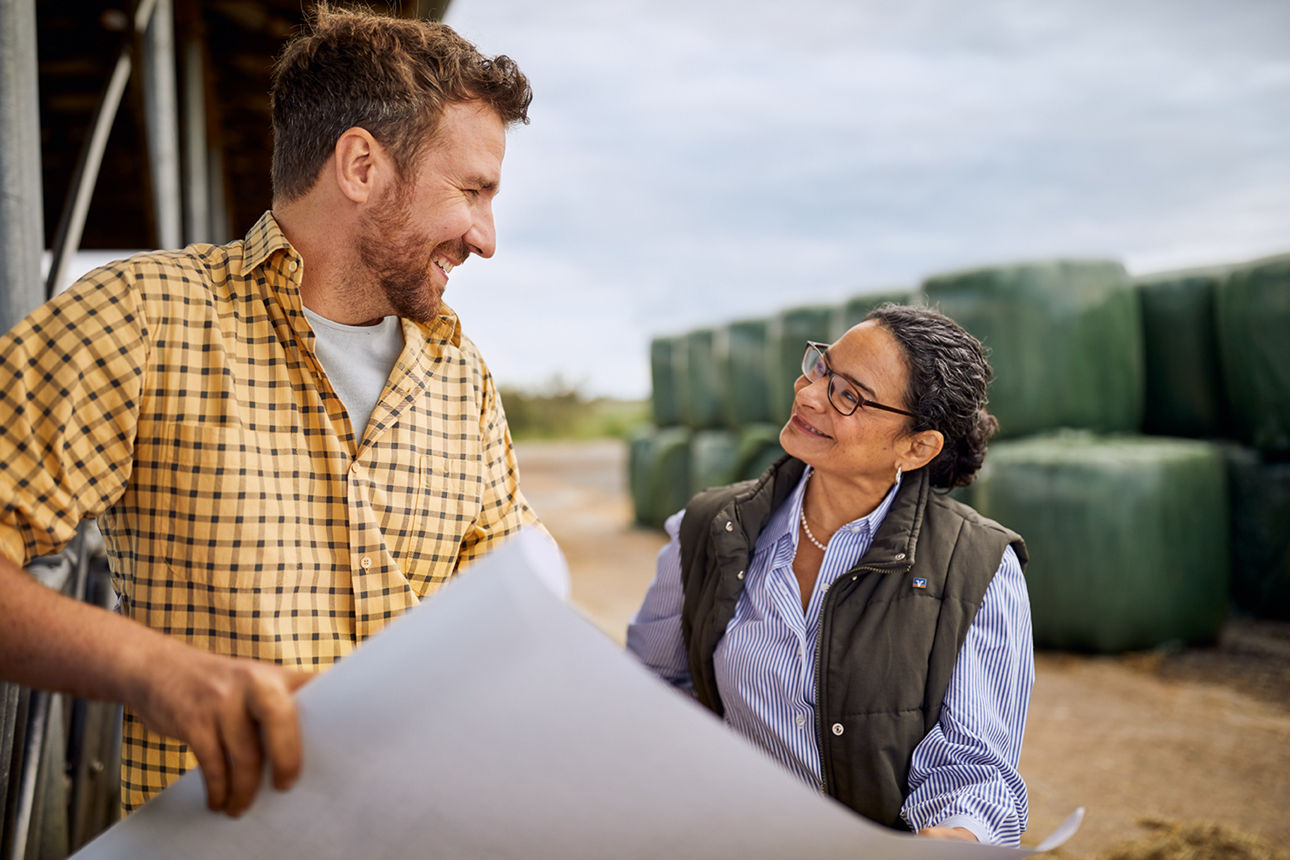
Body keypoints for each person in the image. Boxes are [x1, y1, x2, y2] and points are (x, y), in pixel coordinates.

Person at [0, 7, 539, 817]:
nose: (486, 237)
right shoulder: (142, 318)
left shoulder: (461, 379)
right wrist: (150, 668)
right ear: (360, 165)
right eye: (471, 190)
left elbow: (510, 629)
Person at [627, 304, 1033, 845]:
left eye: (849, 395)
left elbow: (976, 763)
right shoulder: (705, 529)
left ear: (917, 447)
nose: (809, 393)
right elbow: (649, 693)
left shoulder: (979, 566)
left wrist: (955, 834)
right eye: (822, 367)